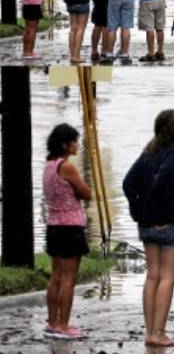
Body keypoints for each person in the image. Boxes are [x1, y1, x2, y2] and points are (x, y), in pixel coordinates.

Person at [122, 110, 174, 347]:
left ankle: (150, 331)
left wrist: (141, 214)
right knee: (167, 279)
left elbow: (128, 183)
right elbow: (162, 184)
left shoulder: (149, 152)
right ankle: (158, 333)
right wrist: (159, 216)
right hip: (170, 225)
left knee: (152, 277)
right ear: (170, 129)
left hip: (147, 226)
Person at [42, 124, 92, 341]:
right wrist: (82, 190)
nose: (78, 145)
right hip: (70, 227)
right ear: (65, 144)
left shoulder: (49, 165)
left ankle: (52, 322)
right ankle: (63, 325)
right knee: (68, 279)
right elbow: (86, 192)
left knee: (56, 276)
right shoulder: (67, 166)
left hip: (53, 224)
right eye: (75, 141)